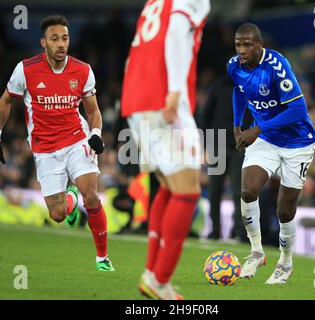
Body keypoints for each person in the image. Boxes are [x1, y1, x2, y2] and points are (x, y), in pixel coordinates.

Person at [0, 15, 114, 272]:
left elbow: (93, 111)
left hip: (77, 138)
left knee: (92, 196)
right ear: (43, 42)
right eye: (55, 39)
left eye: (65, 38)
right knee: (57, 215)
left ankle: (102, 258)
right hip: (44, 148)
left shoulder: (82, 70)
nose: (61, 44)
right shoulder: (25, 69)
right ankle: (70, 197)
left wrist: (97, 133)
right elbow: (5, 102)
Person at [121, 0, 210, 299]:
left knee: (170, 186)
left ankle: (152, 273)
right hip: (162, 97)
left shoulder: (154, 2)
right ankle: (160, 280)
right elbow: (174, 33)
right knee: (188, 190)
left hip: (137, 97)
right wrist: (173, 90)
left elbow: (137, 48)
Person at [227, 23, 315, 284]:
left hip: (298, 142)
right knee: (247, 191)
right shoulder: (234, 65)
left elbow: (299, 111)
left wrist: (256, 128)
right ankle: (256, 251)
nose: (241, 50)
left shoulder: (278, 66)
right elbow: (238, 90)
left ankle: (285, 263)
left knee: (284, 210)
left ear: (260, 45)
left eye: (247, 45)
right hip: (265, 139)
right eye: (238, 44)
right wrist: (236, 125)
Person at [198, 75, 251, 242]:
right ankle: (215, 229)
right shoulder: (217, 87)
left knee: (238, 190)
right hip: (218, 143)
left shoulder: (249, 87)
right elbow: (205, 116)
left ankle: (238, 231)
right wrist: (204, 145)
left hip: (240, 144)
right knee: (215, 190)